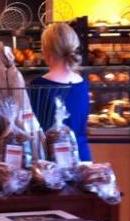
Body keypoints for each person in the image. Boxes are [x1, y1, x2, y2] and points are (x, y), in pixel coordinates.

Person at [30, 22, 91, 161]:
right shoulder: (82, 84)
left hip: (51, 163)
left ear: (46, 51)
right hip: (82, 158)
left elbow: (33, 130)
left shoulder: (38, 86)